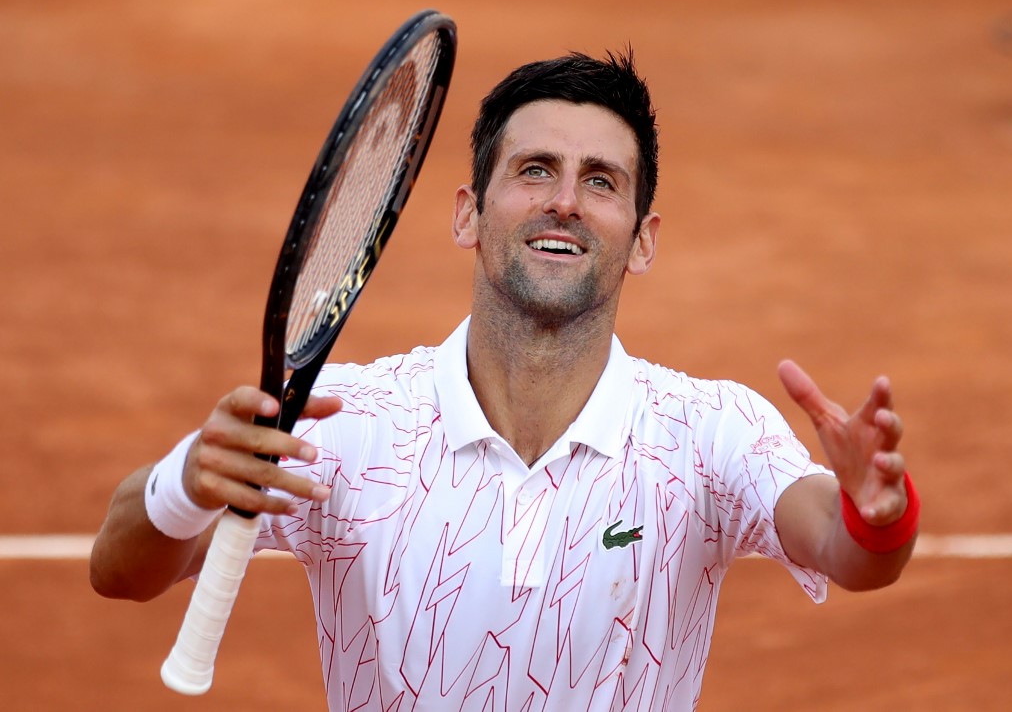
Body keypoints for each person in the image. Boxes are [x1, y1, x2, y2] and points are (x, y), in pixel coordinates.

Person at [90, 49, 920, 711]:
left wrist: (875, 514)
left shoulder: (709, 432)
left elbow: (844, 548)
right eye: (534, 169)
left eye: (602, 181)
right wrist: (184, 482)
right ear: (469, 213)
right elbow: (119, 567)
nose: (566, 202)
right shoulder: (346, 421)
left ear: (642, 239)